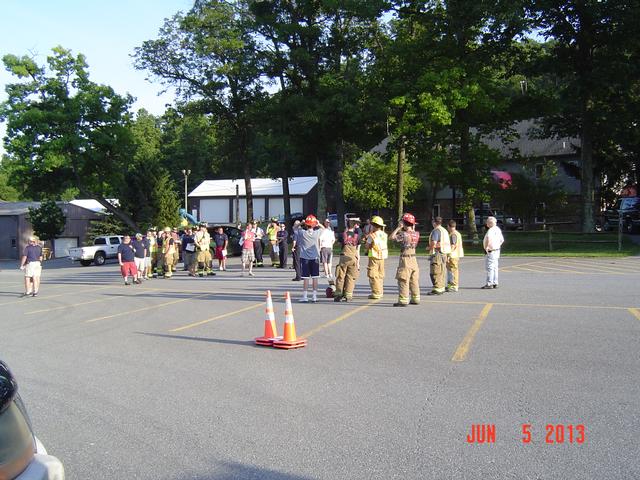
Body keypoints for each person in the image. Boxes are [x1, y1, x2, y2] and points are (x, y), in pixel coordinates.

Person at [390, 213, 421, 306]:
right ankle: (416, 298)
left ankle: (403, 300)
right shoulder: (416, 234)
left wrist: (398, 228)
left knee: (403, 279)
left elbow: (391, 237)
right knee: (414, 279)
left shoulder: (403, 235)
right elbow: (412, 231)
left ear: (403, 223)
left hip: (405, 260)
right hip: (414, 259)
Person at [296, 214, 325, 302]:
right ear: (313, 224)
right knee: (315, 277)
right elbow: (323, 228)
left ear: (306, 224)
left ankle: (305, 296)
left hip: (305, 258)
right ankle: (314, 296)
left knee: (305, 278)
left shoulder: (303, 233)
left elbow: (295, 227)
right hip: (315, 257)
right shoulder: (317, 233)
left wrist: (301, 223)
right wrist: (318, 223)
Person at [333, 219, 360, 302]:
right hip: (353, 257)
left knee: (341, 276)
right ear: (355, 225)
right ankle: (348, 295)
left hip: (344, 257)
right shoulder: (357, 236)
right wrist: (358, 262)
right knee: (351, 277)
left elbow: (338, 243)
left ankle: (338, 294)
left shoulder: (342, 235)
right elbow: (358, 249)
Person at [363, 216, 388, 300]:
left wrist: (366, 242)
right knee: (380, 274)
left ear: (373, 225)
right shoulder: (384, 234)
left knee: (372, 274)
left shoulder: (372, 236)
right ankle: (380, 291)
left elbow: (367, 246)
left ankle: (376, 292)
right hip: (383, 256)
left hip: (374, 256)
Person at [427, 216, 451, 295]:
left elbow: (434, 242)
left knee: (435, 271)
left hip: (437, 253)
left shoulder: (436, 231)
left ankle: (437, 288)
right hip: (444, 253)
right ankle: (441, 287)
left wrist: (429, 248)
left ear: (434, 222)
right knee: (442, 271)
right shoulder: (444, 230)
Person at [482, 216, 504, 289]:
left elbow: (488, 238)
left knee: (490, 267)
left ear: (490, 223)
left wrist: (487, 247)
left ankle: (489, 283)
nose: (486, 223)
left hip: (491, 251)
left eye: (487, 222)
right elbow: (502, 240)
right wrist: (497, 246)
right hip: (497, 250)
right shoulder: (498, 229)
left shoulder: (491, 230)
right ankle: (495, 282)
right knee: (495, 267)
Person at [446, 220, 464, 292]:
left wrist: (449, 255)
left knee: (453, 271)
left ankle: (454, 285)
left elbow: (453, 245)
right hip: (456, 254)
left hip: (453, 255)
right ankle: (451, 284)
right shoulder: (457, 233)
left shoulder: (453, 234)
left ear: (448, 226)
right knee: (452, 271)